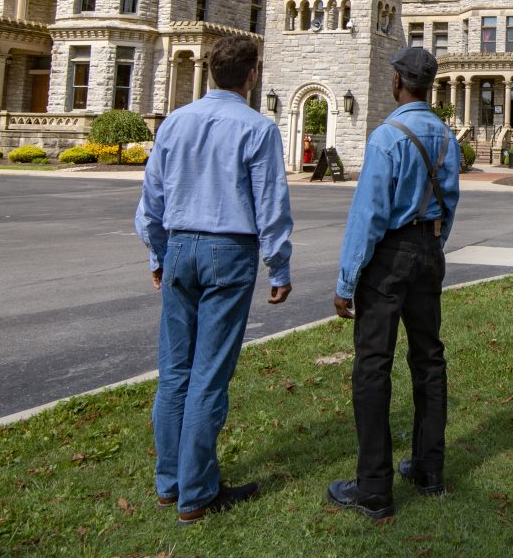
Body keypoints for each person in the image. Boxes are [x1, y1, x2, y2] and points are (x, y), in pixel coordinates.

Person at [134, 35, 294, 526]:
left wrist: (157, 253)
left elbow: (152, 197)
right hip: (229, 250)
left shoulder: (175, 122)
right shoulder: (257, 128)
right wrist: (279, 265)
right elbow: (270, 204)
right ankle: (197, 492)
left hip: (180, 246)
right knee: (209, 375)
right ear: (252, 75)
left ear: (209, 71)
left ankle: (170, 483)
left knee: (175, 370)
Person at [327, 46, 461, 519]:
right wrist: (433, 248)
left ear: (398, 83)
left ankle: (374, 488)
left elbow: (368, 216)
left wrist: (347, 281)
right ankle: (428, 468)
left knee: (373, 366)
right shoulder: (446, 137)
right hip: (429, 250)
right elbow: (451, 203)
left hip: (389, 255)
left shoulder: (387, 137)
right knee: (429, 360)